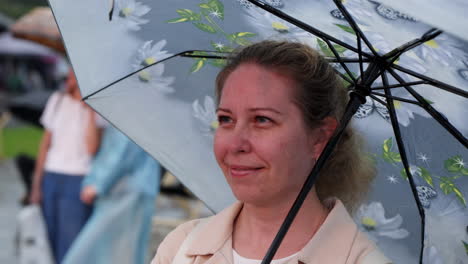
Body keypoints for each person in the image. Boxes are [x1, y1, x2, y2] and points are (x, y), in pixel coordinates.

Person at [151, 41, 390, 264]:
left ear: (320, 138)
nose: (236, 144)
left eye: (262, 120)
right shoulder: (182, 247)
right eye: (226, 119)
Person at [29, 70, 103, 263]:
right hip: (52, 175)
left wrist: (89, 110)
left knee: (72, 241)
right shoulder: (57, 100)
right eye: (68, 76)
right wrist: (36, 185)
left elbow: (92, 148)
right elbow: (45, 145)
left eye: (73, 76)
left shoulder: (97, 108)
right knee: (49, 237)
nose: (68, 80)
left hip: (78, 178)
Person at [62, 126, 161, 264]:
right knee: (125, 248)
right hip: (133, 189)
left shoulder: (127, 115)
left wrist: (96, 184)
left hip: (126, 192)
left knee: (102, 249)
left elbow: (121, 152)